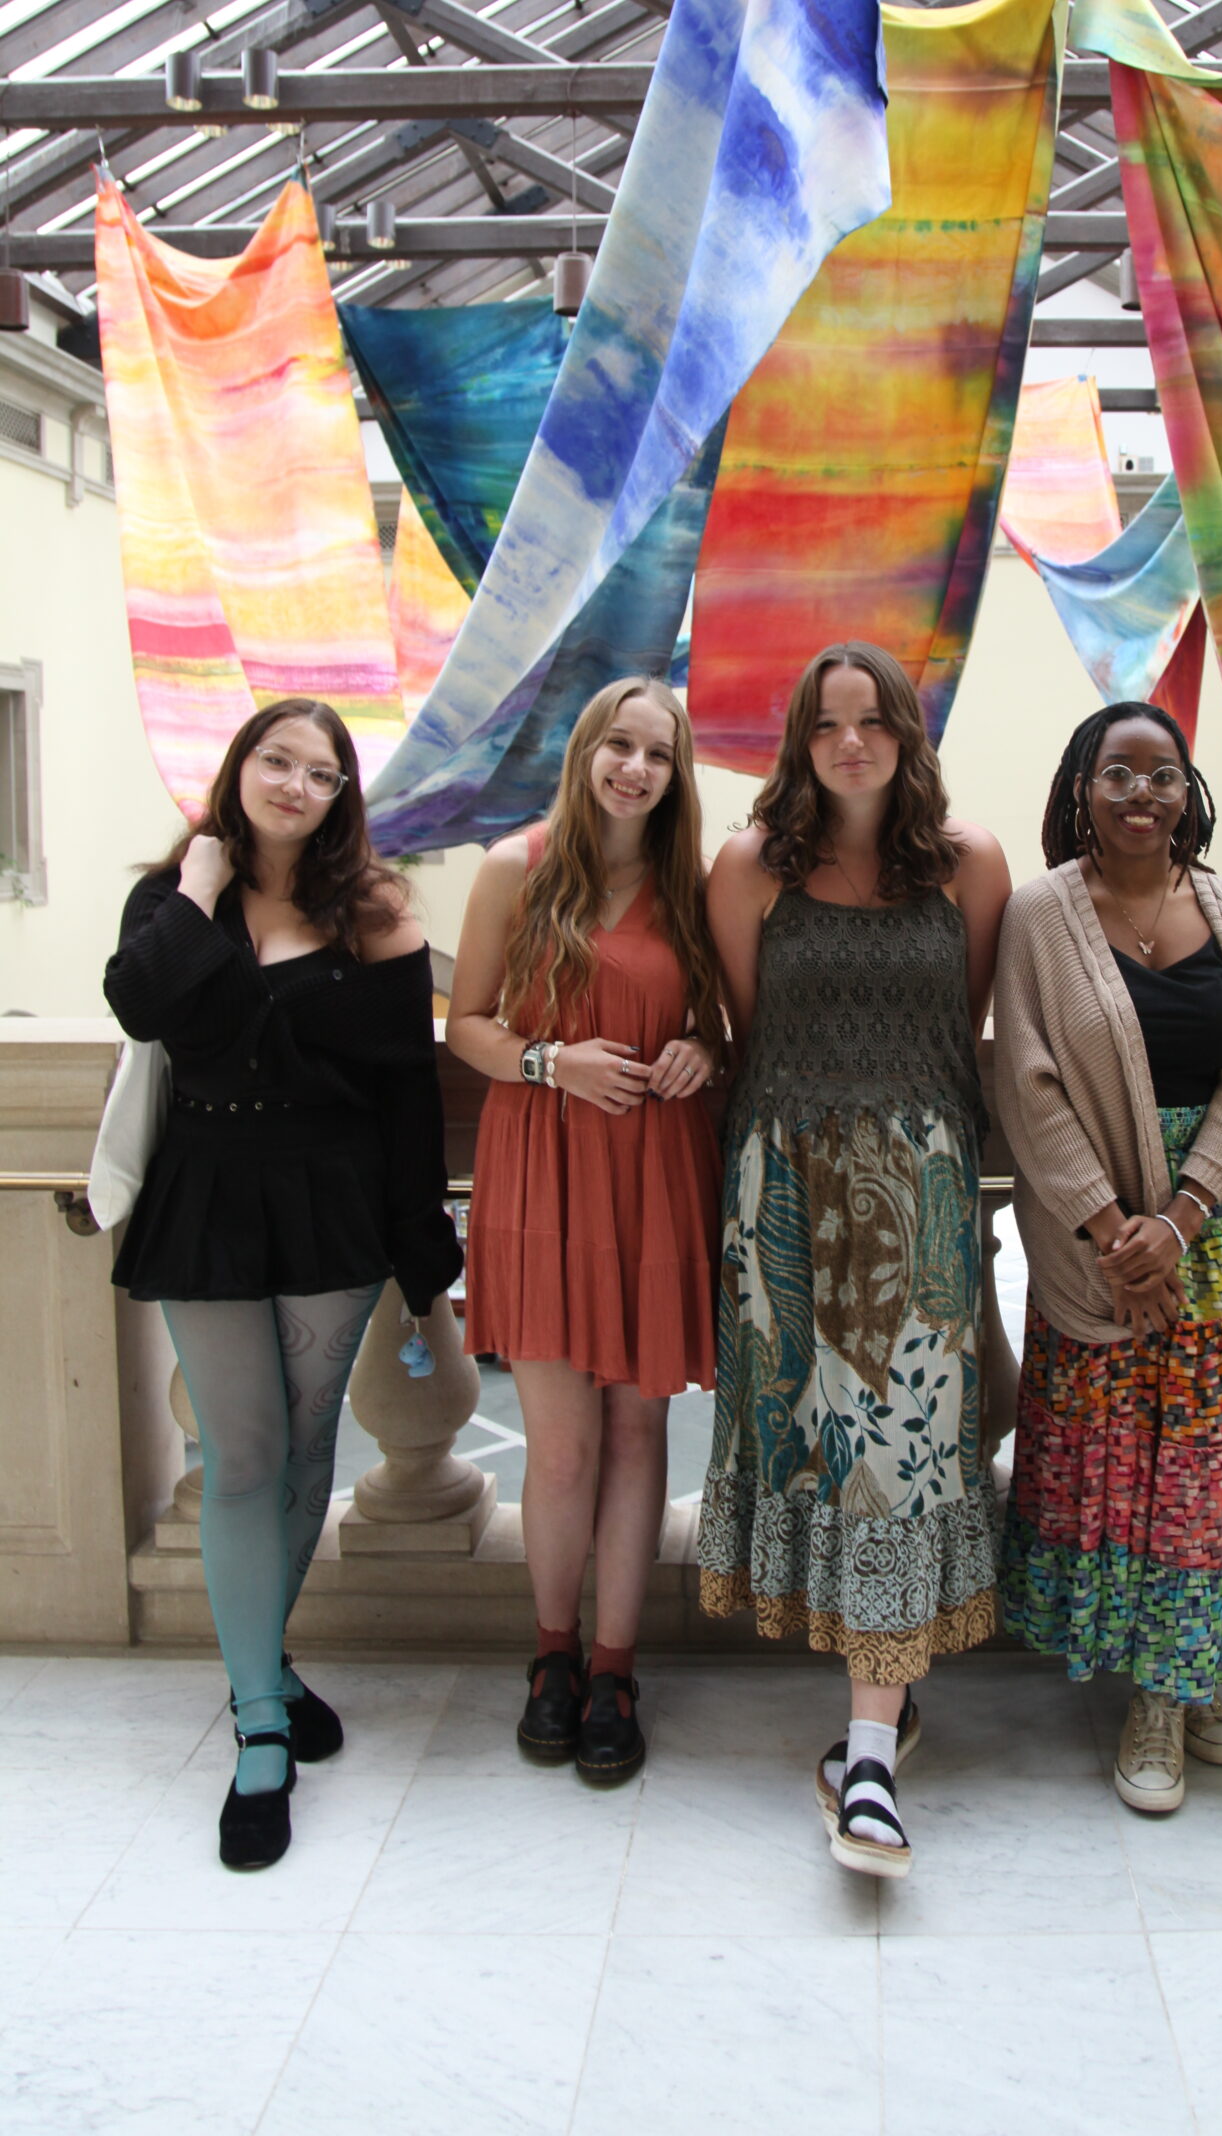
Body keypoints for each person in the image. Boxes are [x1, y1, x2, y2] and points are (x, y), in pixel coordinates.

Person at [104, 699, 461, 1872]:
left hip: (332, 1203)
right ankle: (261, 1717)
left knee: (310, 1453)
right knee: (242, 1455)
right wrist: (204, 885)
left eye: (322, 771)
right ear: (239, 768)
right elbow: (144, 1001)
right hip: (204, 1195)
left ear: (343, 797)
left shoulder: (372, 912)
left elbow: (410, 1093)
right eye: (277, 759)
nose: (296, 784)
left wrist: (426, 1265)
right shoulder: (172, 897)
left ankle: (265, 1661)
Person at [698, 641, 1011, 1879]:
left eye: (874, 720)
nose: (851, 742)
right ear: (799, 740)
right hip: (782, 1198)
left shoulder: (970, 866)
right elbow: (744, 1030)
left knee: (903, 1463)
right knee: (829, 1462)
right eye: (827, 723)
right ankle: (885, 1703)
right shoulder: (749, 868)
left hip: (922, 1199)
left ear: (908, 733)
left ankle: (868, 1759)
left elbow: (967, 1023)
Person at [995, 701, 1222, 1817]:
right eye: (1116, 772)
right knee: (1115, 1462)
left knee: (1210, 1467)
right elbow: (1023, 1078)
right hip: (1093, 1240)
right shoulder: (1040, 914)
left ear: (1188, 792)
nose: (1140, 793)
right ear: (1082, 787)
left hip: (1209, 1227)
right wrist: (1109, 1225)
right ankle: (1153, 1682)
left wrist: (1177, 1215)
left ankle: (1182, 1678)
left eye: (1161, 774)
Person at [448, 678, 722, 1786]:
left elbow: (722, 1020)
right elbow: (463, 1022)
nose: (635, 768)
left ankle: (618, 1665)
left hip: (657, 1173)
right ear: (586, 752)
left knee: (639, 1438)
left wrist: (708, 1047)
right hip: (546, 1172)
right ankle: (552, 1655)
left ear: (676, 775)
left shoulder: (691, 889)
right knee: (560, 1443)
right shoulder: (514, 871)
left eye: (658, 753)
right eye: (619, 744)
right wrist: (548, 1061)